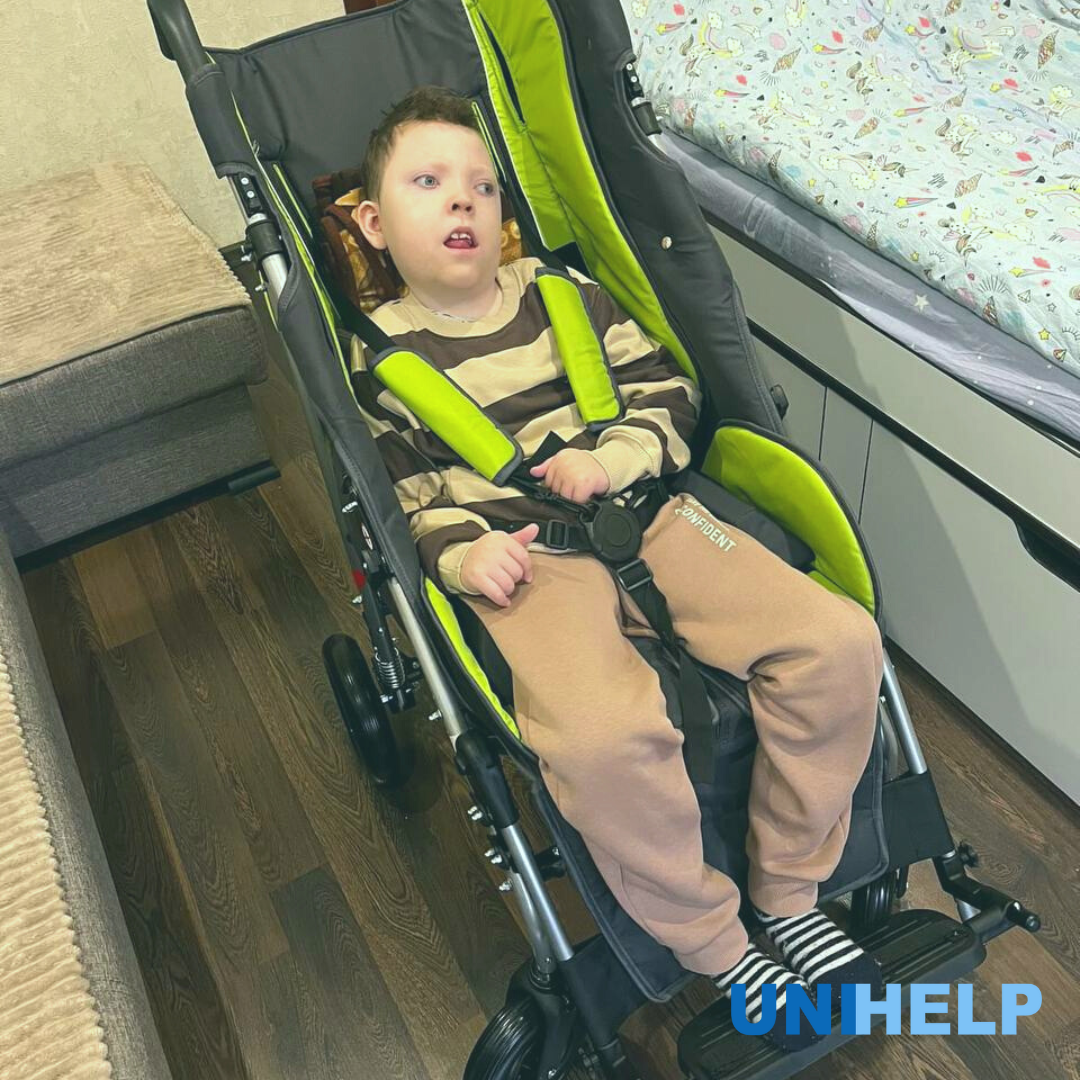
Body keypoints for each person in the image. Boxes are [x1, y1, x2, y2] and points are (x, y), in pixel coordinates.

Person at [349, 86, 884, 1051]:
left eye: (482, 186)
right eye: (428, 183)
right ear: (375, 225)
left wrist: (618, 456)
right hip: (527, 563)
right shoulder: (382, 362)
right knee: (600, 741)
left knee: (839, 641)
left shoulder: (565, 295)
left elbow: (665, 389)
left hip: (648, 513)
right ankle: (713, 938)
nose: (462, 200)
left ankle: (791, 887)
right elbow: (409, 501)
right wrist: (465, 554)